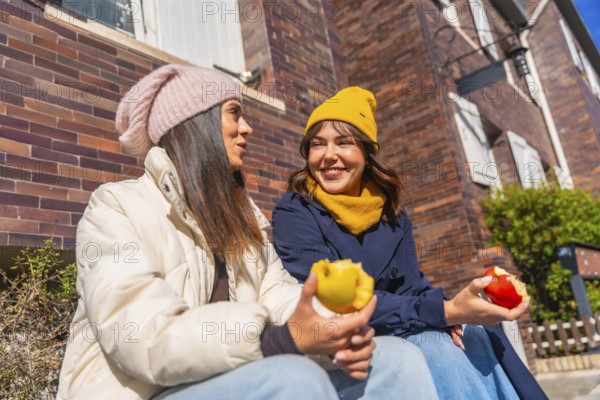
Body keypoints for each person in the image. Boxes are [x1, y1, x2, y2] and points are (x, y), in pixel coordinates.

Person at [57, 65, 439, 400]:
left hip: (237, 374)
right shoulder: (116, 206)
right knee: (292, 378)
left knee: (394, 358)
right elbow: (140, 335)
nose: (247, 127)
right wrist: (280, 340)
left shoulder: (245, 220)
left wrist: (329, 332)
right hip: (149, 391)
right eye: (234, 113)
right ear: (197, 123)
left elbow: (279, 296)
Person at [272, 87, 548, 400]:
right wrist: (441, 313)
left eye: (344, 142)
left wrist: (450, 311)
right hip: (344, 341)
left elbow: (411, 287)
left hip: (399, 324)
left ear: (366, 152)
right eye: (317, 145)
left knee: (474, 333)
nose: (328, 155)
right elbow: (333, 297)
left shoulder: (392, 215)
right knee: (438, 349)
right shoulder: (295, 211)